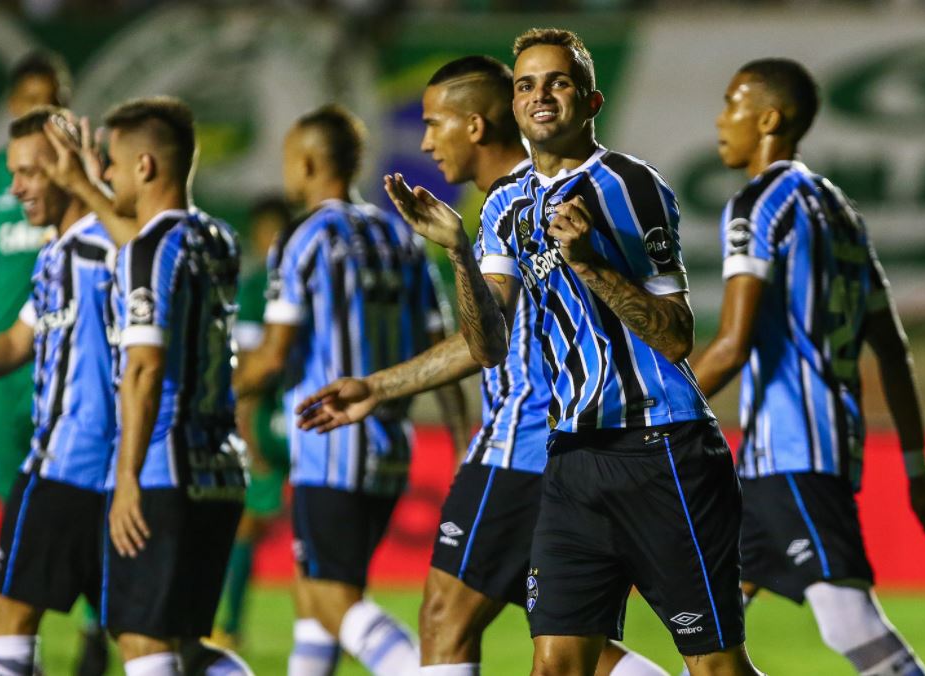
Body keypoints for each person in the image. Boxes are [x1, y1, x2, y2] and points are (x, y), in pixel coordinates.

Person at [382, 28, 765, 676]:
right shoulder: (503, 205)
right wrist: (456, 251)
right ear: (512, 103)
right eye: (526, 83)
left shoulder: (631, 185)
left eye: (557, 81)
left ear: (590, 102)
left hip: (661, 449)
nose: (540, 95)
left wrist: (589, 265)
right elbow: (488, 344)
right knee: (556, 661)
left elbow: (675, 336)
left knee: (714, 666)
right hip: (570, 458)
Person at [297, 55, 667, 676]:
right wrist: (377, 388)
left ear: (474, 126)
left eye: (432, 123)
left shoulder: (518, 207)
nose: (423, 141)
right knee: (567, 645)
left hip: (523, 446)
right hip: (575, 449)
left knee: (447, 618)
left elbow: (484, 344)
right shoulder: (542, 195)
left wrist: (379, 385)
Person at [690, 58, 925, 676]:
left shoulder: (760, 205)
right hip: (793, 455)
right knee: (707, 632)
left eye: (732, 103)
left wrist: (650, 414)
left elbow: (730, 344)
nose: (720, 118)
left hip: (793, 451)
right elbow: (891, 346)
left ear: (768, 118)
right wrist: (916, 466)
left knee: (847, 621)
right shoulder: (840, 212)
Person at [234, 104, 459, 676]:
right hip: (391, 448)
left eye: (288, 159)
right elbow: (445, 347)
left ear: (307, 162)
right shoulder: (401, 238)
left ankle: (424, 669)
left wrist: (210, 387)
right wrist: (462, 442)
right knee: (316, 599)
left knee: (332, 600)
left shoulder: (303, 238)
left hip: (330, 448)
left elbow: (274, 355)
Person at [0, 106, 116, 676]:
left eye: (30, 172)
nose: (15, 187)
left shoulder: (107, 250)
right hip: (108, 474)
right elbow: (14, 344)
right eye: (12, 172)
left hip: (70, 465)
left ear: (68, 167)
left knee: (8, 617)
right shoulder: (58, 254)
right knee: (153, 642)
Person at [98, 96, 249, 676]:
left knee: (144, 641)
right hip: (220, 467)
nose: (105, 174)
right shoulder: (219, 239)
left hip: (164, 468)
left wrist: (127, 476)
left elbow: (144, 367)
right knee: (187, 643)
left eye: (112, 161)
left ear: (144, 166)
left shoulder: (146, 249)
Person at [0, 51, 69, 502]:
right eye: (30, 100)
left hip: (65, 362)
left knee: (67, 500)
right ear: (12, 104)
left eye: (51, 101)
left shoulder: (90, 179)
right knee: (9, 500)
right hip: (4, 356)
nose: (40, 112)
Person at [212, 195, 292, 649]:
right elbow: (243, 365)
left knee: (264, 523)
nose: (272, 243)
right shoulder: (253, 286)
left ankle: (328, 621)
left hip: (300, 412)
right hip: (266, 416)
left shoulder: (302, 281)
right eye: (266, 234)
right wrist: (245, 428)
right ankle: (231, 624)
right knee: (247, 524)